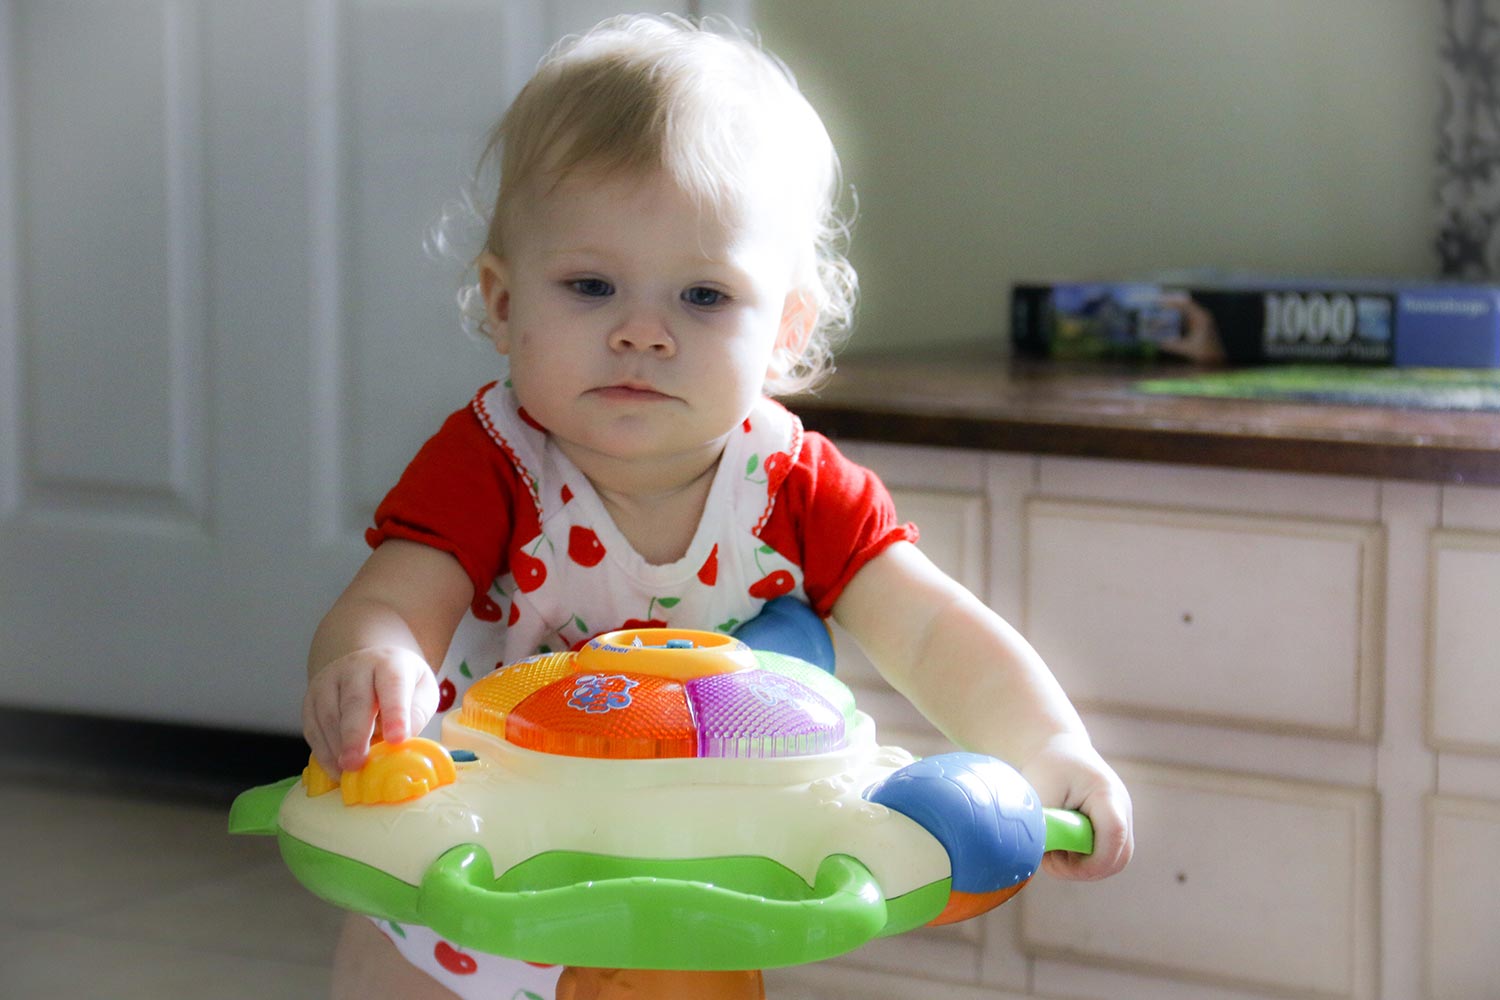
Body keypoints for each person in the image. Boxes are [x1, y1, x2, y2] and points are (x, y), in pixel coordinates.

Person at [303, 14, 1134, 1000]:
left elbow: (936, 631)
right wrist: (374, 663)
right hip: (477, 878)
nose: (642, 332)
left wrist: (1049, 746)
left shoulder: (796, 487)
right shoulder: (493, 462)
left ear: (784, 329)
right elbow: (397, 596)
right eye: (591, 284)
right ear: (504, 301)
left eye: (703, 296)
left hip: (694, 896)